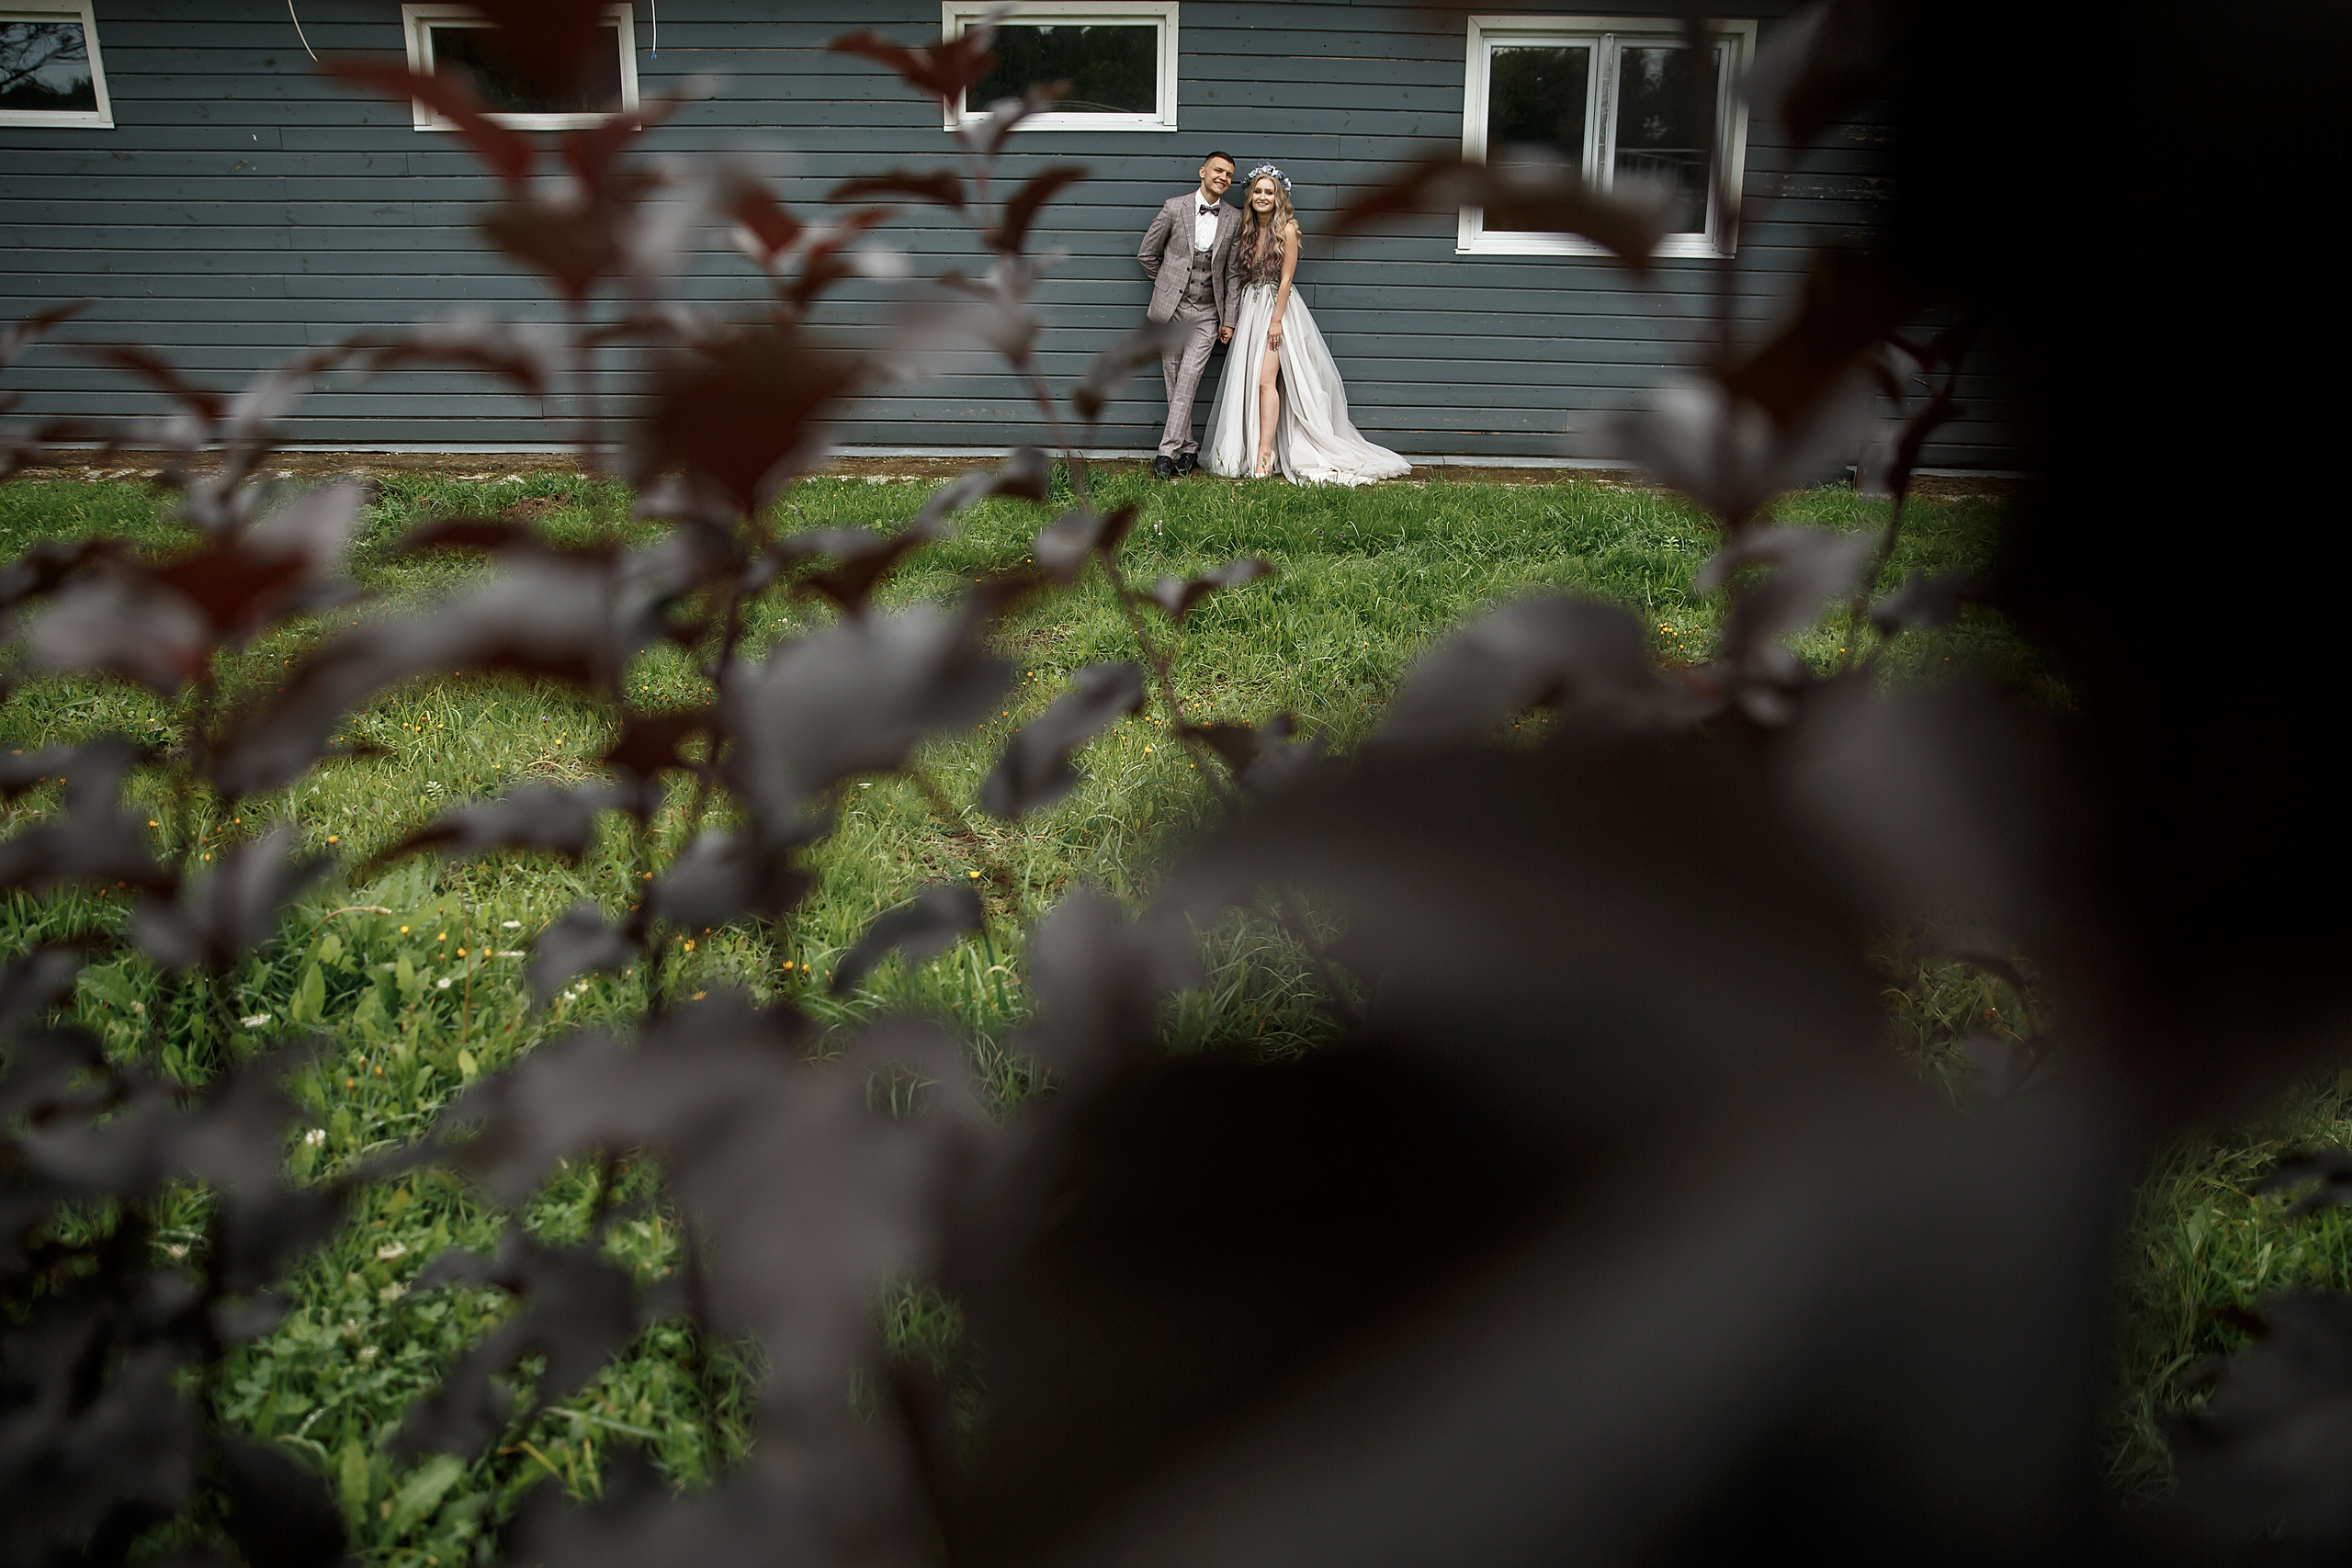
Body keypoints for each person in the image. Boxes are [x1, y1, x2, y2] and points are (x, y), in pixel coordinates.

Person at [1203, 166, 1410, 486]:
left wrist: (1275, 322)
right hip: (1250, 309)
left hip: (1277, 310)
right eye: (1257, 191)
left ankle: (1264, 454)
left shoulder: (1286, 229)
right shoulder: (1246, 230)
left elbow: (1285, 279)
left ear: (1278, 197)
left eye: (1268, 192)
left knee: (1264, 381)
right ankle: (1250, 451)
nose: (1262, 197)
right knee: (1247, 380)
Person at [1136, 151, 1243, 479]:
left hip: (1209, 312)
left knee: (1189, 377)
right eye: (1218, 171)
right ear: (1203, 172)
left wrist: (1230, 319)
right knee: (1174, 379)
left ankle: (1166, 453)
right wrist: (1169, 287)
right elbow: (1146, 255)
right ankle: (1189, 448)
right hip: (1172, 311)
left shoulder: (1234, 218)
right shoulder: (1173, 207)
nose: (1223, 177)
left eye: (1228, 174)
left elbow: (1234, 273)